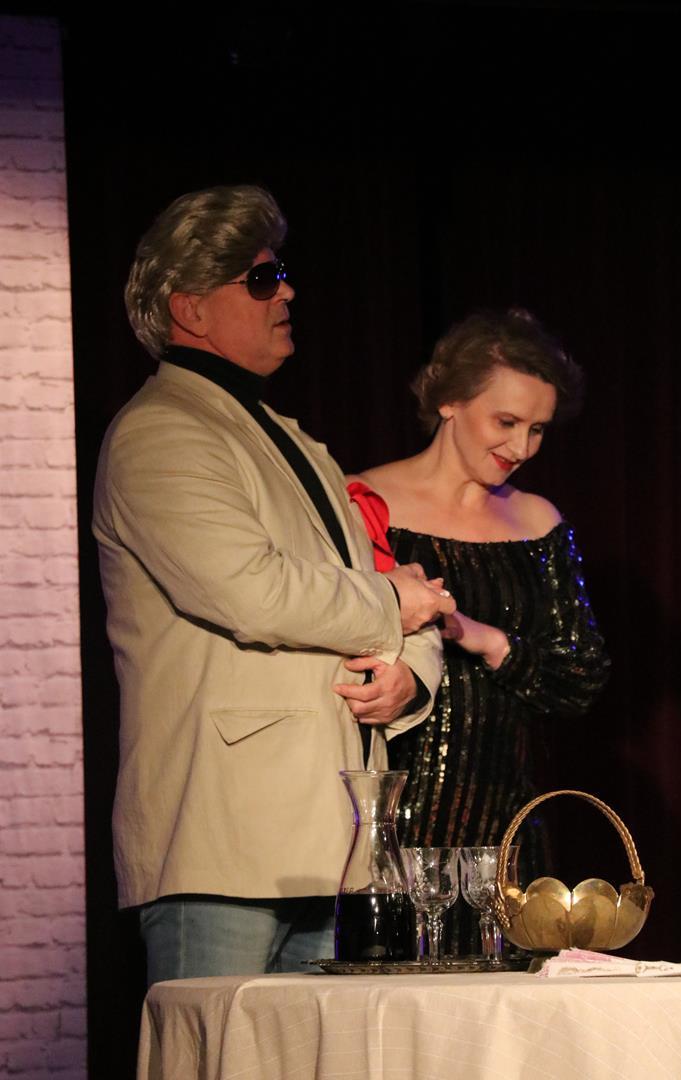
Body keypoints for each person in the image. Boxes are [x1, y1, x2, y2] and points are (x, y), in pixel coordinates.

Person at [92, 185, 450, 983]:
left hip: (328, 836)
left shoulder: (292, 440)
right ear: (190, 308)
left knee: (313, 1049)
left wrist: (407, 677)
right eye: (261, 279)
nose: (286, 292)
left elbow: (385, 587)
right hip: (223, 838)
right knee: (215, 1046)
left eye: (280, 274)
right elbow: (248, 591)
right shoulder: (160, 431)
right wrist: (395, 604)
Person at [349, 308, 611, 954]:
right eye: (507, 422)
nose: (522, 448)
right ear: (449, 402)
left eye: (537, 429)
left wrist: (484, 638)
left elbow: (581, 679)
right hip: (398, 824)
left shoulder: (537, 522)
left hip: (509, 832)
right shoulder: (365, 502)